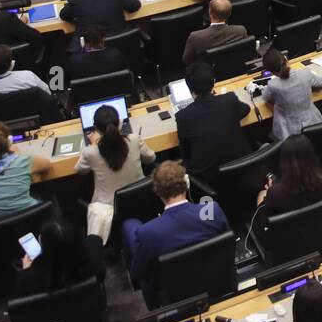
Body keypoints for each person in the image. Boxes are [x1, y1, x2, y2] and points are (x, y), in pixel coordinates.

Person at [123, 161, 230, 307]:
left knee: (129, 225)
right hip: (218, 285)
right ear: (186, 184)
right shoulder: (212, 211)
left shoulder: (148, 233)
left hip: (173, 301)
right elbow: (228, 246)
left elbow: (137, 273)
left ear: (157, 192)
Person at [77, 103, 154, 240]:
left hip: (109, 208)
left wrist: (95, 144)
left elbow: (79, 170)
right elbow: (151, 158)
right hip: (140, 198)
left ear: (95, 128)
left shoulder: (91, 151)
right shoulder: (134, 139)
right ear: (119, 122)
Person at [174, 62, 251, 181]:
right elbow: (246, 109)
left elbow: (186, 152)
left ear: (189, 87)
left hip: (209, 179)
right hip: (242, 170)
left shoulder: (182, 116)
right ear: (213, 82)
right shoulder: (229, 100)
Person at [13, 216, 104, 298]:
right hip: (87, 312)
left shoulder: (28, 280)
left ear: (46, 249)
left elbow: (21, 309)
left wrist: (26, 270)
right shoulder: (92, 264)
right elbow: (94, 240)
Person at [260, 47, 322, 141]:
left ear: (271, 71)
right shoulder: (305, 73)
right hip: (315, 124)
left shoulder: (273, 85)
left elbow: (266, 97)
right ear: (286, 59)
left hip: (290, 135)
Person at [256, 135, 322, 215]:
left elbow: (263, 222)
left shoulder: (275, 193)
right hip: (318, 225)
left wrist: (269, 192)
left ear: (285, 162)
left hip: (289, 227)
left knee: (262, 194)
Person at [181, 0, 248, 66]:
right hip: (236, 67)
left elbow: (187, 60)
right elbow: (246, 50)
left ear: (209, 12)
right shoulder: (240, 31)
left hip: (208, 74)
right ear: (229, 13)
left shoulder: (196, 37)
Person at [64, 26, 128, 81]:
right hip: (116, 92)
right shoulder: (116, 55)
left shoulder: (74, 61)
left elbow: (67, 81)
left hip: (86, 94)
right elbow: (125, 73)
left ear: (84, 42)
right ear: (103, 40)